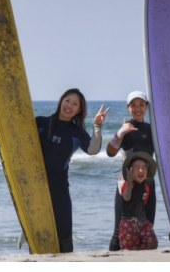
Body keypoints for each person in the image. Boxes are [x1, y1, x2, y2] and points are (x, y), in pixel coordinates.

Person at [36, 88, 109, 253]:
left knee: (64, 234)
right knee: (38, 233)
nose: (69, 105)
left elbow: (93, 150)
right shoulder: (41, 123)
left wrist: (97, 126)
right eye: (67, 100)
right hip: (36, 187)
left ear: (79, 110)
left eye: (75, 104)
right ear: (61, 100)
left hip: (59, 188)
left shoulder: (76, 132)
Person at [106, 91, 156, 251]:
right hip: (127, 184)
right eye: (133, 105)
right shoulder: (126, 129)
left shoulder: (152, 129)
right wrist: (119, 133)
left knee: (147, 227)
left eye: (141, 104)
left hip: (148, 184)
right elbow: (110, 152)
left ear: (147, 107)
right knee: (118, 230)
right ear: (128, 108)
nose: (138, 108)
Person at [118, 152, 158, 251]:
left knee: (152, 242)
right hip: (128, 223)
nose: (141, 170)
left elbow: (145, 204)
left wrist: (148, 222)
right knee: (129, 249)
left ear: (147, 172)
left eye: (143, 168)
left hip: (143, 222)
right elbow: (126, 197)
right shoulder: (126, 184)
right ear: (130, 171)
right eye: (137, 168)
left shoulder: (147, 187)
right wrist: (129, 184)